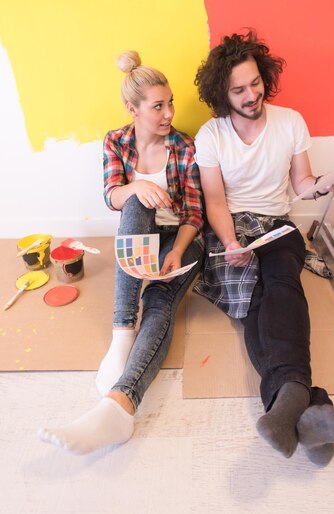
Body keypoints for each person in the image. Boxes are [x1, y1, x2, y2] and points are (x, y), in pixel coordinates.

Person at [193, 31, 334, 466]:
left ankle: (286, 405)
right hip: (232, 230)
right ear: (222, 94)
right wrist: (229, 242)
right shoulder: (211, 135)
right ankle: (307, 398)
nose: (251, 95)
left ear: (265, 77)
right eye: (239, 89)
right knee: (257, 300)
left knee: (282, 285)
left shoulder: (290, 122)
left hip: (277, 226)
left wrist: (322, 186)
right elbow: (216, 201)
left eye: (255, 83)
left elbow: (302, 183)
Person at [39, 50, 204, 455]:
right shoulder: (116, 141)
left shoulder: (184, 146)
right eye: (158, 106)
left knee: (160, 301)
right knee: (133, 203)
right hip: (139, 233)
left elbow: (196, 212)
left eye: (170, 104)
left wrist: (177, 250)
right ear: (133, 108)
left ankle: (119, 406)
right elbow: (112, 196)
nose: (168, 114)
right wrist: (135, 188)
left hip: (182, 237)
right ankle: (121, 332)